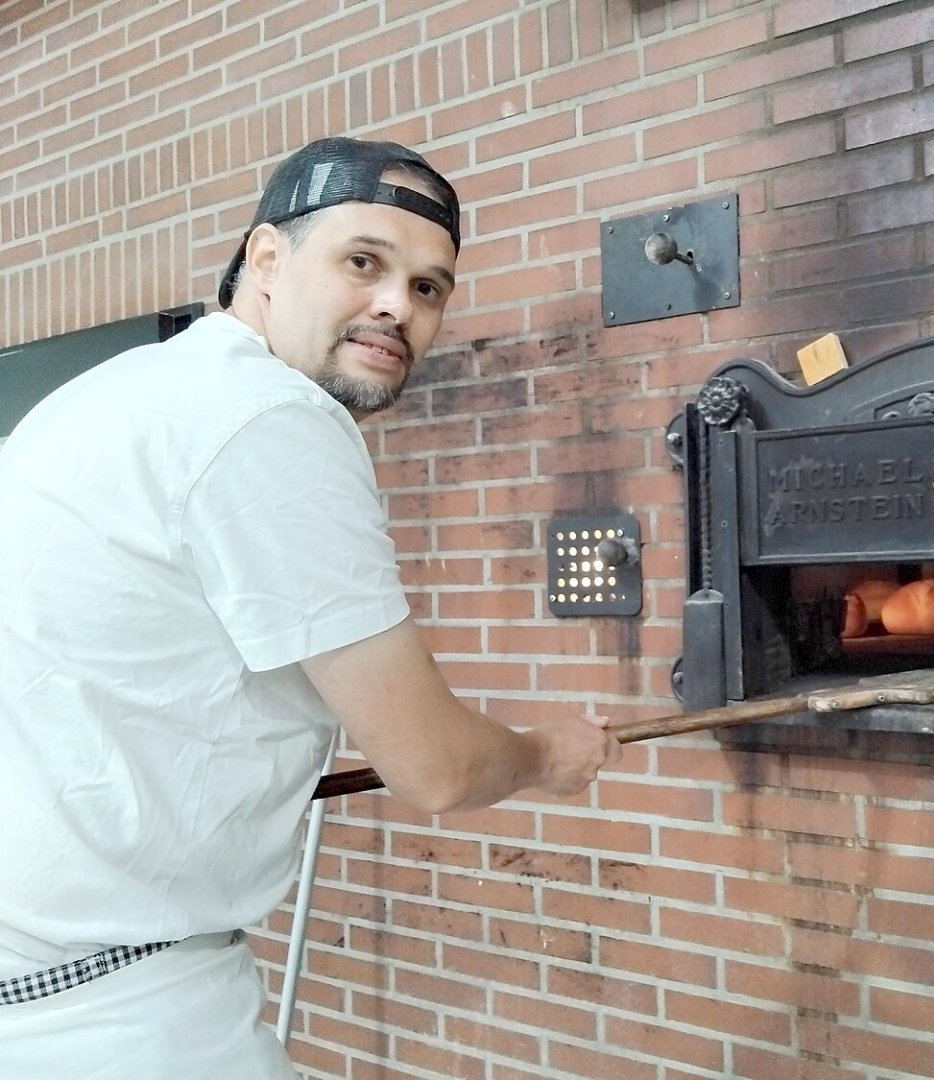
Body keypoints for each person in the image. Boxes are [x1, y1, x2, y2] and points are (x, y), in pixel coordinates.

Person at [0, 136, 620, 1079]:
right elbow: (436, 768)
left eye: (429, 288)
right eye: (364, 262)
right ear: (267, 259)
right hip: (106, 1012)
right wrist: (548, 757)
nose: (396, 307)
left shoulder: (126, 391)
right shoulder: (272, 420)